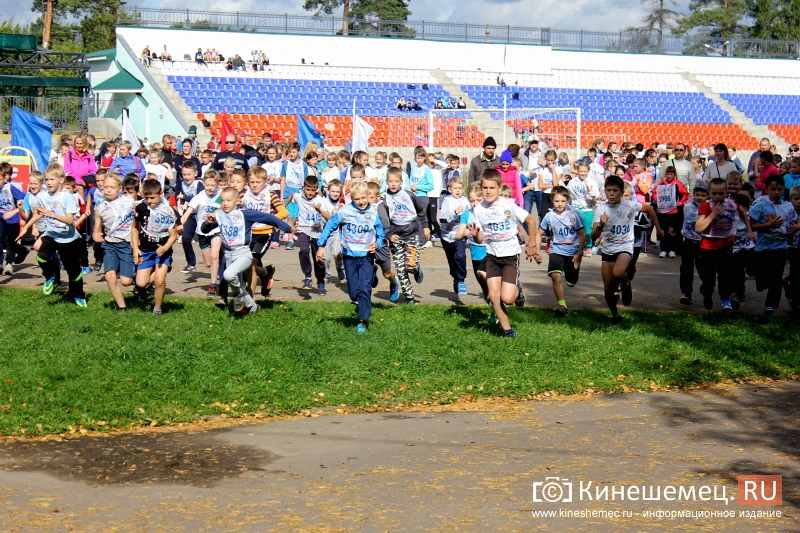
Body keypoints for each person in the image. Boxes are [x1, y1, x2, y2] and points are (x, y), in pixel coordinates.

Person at [469, 169, 538, 338]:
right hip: (492, 256)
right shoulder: (479, 210)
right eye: (485, 188)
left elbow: (531, 220)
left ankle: (517, 288)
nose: (488, 191)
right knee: (494, 296)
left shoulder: (508, 205)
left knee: (508, 299)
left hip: (509, 256)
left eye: (492, 188)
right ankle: (507, 331)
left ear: (499, 188)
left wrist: (532, 244)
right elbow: (480, 239)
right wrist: (476, 234)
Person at [201, 188, 291, 315]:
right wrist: (208, 223)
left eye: (229, 200)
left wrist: (287, 228)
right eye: (223, 201)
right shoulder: (220, 215)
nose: (225, 203)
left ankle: (238, 297)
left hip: (243, 253)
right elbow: (205, 230)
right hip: (228, 254)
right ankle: (252, 307)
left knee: (228, 275)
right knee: (239, 284)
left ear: (238, 201)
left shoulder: (244, 214)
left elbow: (268, 217)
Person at [591, 175, 663, 324]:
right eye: (608, 190)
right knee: (607, 288)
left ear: (621, 192)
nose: (611, 194)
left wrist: (658, 228)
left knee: (618, 272)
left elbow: (649, 209)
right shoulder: (601, 209)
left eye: (615, 191)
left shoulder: (630, 205)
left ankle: (625, 281)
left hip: (625, 246)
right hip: (608, 249)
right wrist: (600, 225)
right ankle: (615, 315)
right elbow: (593, 235)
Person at [316, 179, 385, 333]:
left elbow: (380, 234)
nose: (361, 202)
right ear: (351, 199)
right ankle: (373, 274)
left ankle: (362, 320)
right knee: (353, 293)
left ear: (368, 196)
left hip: (366, 256)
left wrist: (377, 244)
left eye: (363, 198)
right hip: (349, 256)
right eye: (357, 199)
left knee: (364, 289)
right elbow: (330, 226)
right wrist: (321, 245)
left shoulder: (372, 214)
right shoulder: (344, 212)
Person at [16, 163, 85, 306]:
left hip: (68, 238)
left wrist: (50, 214)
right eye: (46, 180)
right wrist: (26, 228)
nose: (48, 183)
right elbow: (37, 214)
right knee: (41, 256)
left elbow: (70, 220)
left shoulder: (67, 197)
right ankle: (50, 276)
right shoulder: (43, 196)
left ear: (61, 180)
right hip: (51, 234)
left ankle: (78, 295)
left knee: (73, 272)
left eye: (51, 179)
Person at [694, 177, 753, 312]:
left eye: (721, 193)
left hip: (725, 245)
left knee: (725, 275)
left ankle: (725, 300)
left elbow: (743, 212)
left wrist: (749, 230)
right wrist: (713, 214)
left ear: (726, 193)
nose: (718, 196)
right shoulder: (706, 206)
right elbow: (698, 227)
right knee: (708, 280)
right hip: (707, 248)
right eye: (714, 193)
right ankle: (707, 295)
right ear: (709, 194)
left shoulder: (731, 204)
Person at [748, 174, 800, 316]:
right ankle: (761, 283)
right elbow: (750, 224)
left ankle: (770, 306)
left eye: (780, 189)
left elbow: (796, 220)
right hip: (763, 248)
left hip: (780, 248)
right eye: (773, 189)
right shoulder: (761, 205)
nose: (777, 192)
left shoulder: (788, 206)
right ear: (767, 189)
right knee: (764, 279)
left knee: (776, 277)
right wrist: (768, 225)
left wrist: (797, 227)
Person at [534, 185, 586, 317]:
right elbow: (539, 233)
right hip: (556, 250)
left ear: (568, 200)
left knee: (570, 283)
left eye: (562, 201)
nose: (559, 204)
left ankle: (572, 275)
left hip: (573, 252)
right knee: (555, 276)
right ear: (552, 200)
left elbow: (583, 234)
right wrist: (537, 250)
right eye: (557, 201)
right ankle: (562, 306)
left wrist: (579, 254)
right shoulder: (549, 216)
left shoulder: (574, 215)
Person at [131, 180, 178, 315]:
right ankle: (150, 275)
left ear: (160, 194)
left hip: (163, 249)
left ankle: (157, 308)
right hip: (145, 250)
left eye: (153, 197)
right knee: (140, 283)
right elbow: (134, 228)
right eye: (147, 197)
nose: (150, 201)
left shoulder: (168, 211)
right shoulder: (141, 208)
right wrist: (135, 247)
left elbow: (173, 235)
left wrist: (165, 248)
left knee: (159, 280)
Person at [93, 173, 136, 311]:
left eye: (112, 187)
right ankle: (122, 307)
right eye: (105, 187)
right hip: (110, 245)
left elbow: (139, 219)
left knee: (126, 281)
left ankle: (139, 281)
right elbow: (97, 230)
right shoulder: (100, 208)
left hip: (126, 244)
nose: (108, 190)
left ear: (120, 188)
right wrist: (95, 235)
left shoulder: (129, 202)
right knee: (110, 277)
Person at [383, 167, 424, 304]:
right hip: (396, 237)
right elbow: (382, 221)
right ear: (386, 182)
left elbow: (421, 211)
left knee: (410, 266)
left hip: (411, 234)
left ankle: (416, 269)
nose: (393, 184)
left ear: (401, 181)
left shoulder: (409, 195)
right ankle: (409, 297)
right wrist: (389, 234)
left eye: (396, 181)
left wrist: (425, 226)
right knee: (401, 269)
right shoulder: (384, 200)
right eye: (390, 181)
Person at [181, 170, 222, 298]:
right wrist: (181, 223)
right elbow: (188, 212)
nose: (210, 187)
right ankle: (220, 262)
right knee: (208, 263)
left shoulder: (221, 194)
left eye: (213, 185)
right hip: (202, 232)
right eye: (207, 184)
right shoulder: (199, 196)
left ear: (217, 184)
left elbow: (228, 201)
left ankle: (212, 286)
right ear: (203, 183)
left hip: (216, 230)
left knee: (214, 257)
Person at [287, 175, 329, 294]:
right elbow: (291, 196)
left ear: (317, 189)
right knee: (304, 250)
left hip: (317, 231)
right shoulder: (299, 196)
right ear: (303, 188)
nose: (310, 192)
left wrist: (320, 211)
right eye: (308, 189)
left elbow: (329, 218)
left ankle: (321, 282)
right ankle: (308, 276)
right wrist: (283, 207)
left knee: (318, 258)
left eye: (312, 190)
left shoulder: (321, 200)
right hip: (303, 229)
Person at [455, 183, 489, 303]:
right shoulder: (467, 214)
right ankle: (493, 311)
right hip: (476, 253)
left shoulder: (490, 212)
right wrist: (465, 233)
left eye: (478, 200)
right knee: (484, 287)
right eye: (472, 200)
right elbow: (457, 235)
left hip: (490, 250)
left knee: (487, 277)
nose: (475, 203)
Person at [439, 177, 471, 295]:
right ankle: (456, 278)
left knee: (460, 256)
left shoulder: (466, 201)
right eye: (455, 188)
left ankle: (461, 280)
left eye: (460, 188)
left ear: (463, 190)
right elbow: (442, 219)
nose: (457, 191)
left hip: (460, 235)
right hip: (447, 236)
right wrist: (455, 212)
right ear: (449, 189)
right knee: (452, 262)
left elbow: (470, 217)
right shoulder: (447, 201)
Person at [367, 181, 399, 301]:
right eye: (367, 196)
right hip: (368, 244)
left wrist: (373, 221)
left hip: (382, 244)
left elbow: (386, 223)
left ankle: (393, 282)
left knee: (386, 273)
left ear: (377, 197)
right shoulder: (361, 207)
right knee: (365, 268)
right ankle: (371, 272)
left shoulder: (379, 207)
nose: (368, 200)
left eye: (371, 197)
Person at [678, 182, 708, 305]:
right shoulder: (687, 206)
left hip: (703, 243)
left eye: (703, 195)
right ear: (693, 194)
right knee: (686, 269)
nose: (700, 197)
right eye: (697, 194)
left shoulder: (709, 207)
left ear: (708, 195)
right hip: (689, 241)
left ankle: (706, 287)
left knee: (704, 269)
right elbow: (681, 219)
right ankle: (686, 293)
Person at [279, 142, 311, 250]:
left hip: (299, 193)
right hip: (288, 192)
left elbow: (306, 180)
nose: (291, 154)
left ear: (298, 152)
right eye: (290, 152)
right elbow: (283, 180)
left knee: (298, 217)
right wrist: (281, 195)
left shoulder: (303, 165)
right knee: (290, 217)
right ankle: (290, 240)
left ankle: (302, 238)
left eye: (293, 152)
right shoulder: (285, 165)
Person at [653, 166, 689, 258]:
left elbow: (686, 194)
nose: (669, 176)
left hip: (674, 212)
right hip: (663, 212)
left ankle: (673, 249)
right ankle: (664, 249)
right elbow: (654, 192)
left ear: (674, 175)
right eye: (668, 174)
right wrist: (658, 201)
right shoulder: (661, 184)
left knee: (673, 231)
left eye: (671, 174)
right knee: (663, 230)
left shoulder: (678, 184)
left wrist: (680, 203)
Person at [0, 162, 29, 274]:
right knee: (0, 239)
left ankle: (22, 251)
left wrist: (17, 212)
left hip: (12, 219)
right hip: (1, 217)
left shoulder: (12, 187)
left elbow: (25, 201)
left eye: (6, 175)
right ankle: (3, 264)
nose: (5, 177)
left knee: (11, 243)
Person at [566, 161, 599, 256]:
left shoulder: (591, 181)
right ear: (577, 171)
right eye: (581, 171)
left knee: (588, 231)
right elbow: (568, 194)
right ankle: (577, 246)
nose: (583, 173)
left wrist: (590, 191)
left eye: (585, 171)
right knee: (576, 229)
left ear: (588, 171)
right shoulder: (572, 182)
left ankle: (588, 246)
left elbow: (597, 195)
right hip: (576, 208)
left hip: (588, 208)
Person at [731, 192, 755, 308]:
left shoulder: (749, 218)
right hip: (733, 249)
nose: (740, 209)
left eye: (743, 207)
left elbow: (754, 232)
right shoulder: (731, 218)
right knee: (736, 271)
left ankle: (738, 292)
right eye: (738, 206)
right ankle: (737, 292)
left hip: (747, 249)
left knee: (740, 269)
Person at [408, 148, 434, 245]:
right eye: (417, 158)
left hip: (422, 196)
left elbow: (431, 185)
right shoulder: (413, 170)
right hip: (413, 196)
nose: (419, 160)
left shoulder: (426, 170)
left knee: (422, 218)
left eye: (421, 158)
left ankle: (423, 240)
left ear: (424, 158)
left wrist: (418, 187)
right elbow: (411, 181)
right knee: (414, 219)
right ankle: (416, 239)